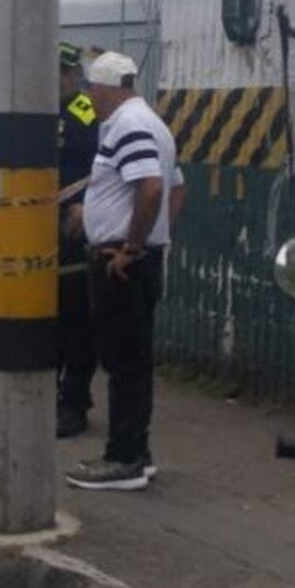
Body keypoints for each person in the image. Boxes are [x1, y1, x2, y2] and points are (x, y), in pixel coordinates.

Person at [65, 52, 184, 493]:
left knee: (123, 364)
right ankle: (137, 452)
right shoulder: (152, 123)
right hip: (136, 257)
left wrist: (132, 246)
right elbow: (177, 190)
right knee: (133, 361)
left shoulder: (128, 125)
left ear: (106, 88)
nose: (89, 98)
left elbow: (151, 189)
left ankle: (123, 459)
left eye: (91, 90)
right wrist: (156, 238)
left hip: (120, 262)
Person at [56, 42, 100, 439]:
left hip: (72, 228)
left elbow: (99, 169)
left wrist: (86, 207)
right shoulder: (38, 111)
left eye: (59, 74)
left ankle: (74, 402)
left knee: (75, 321)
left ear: (72, 75)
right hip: (39, 229)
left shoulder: (85, 112)